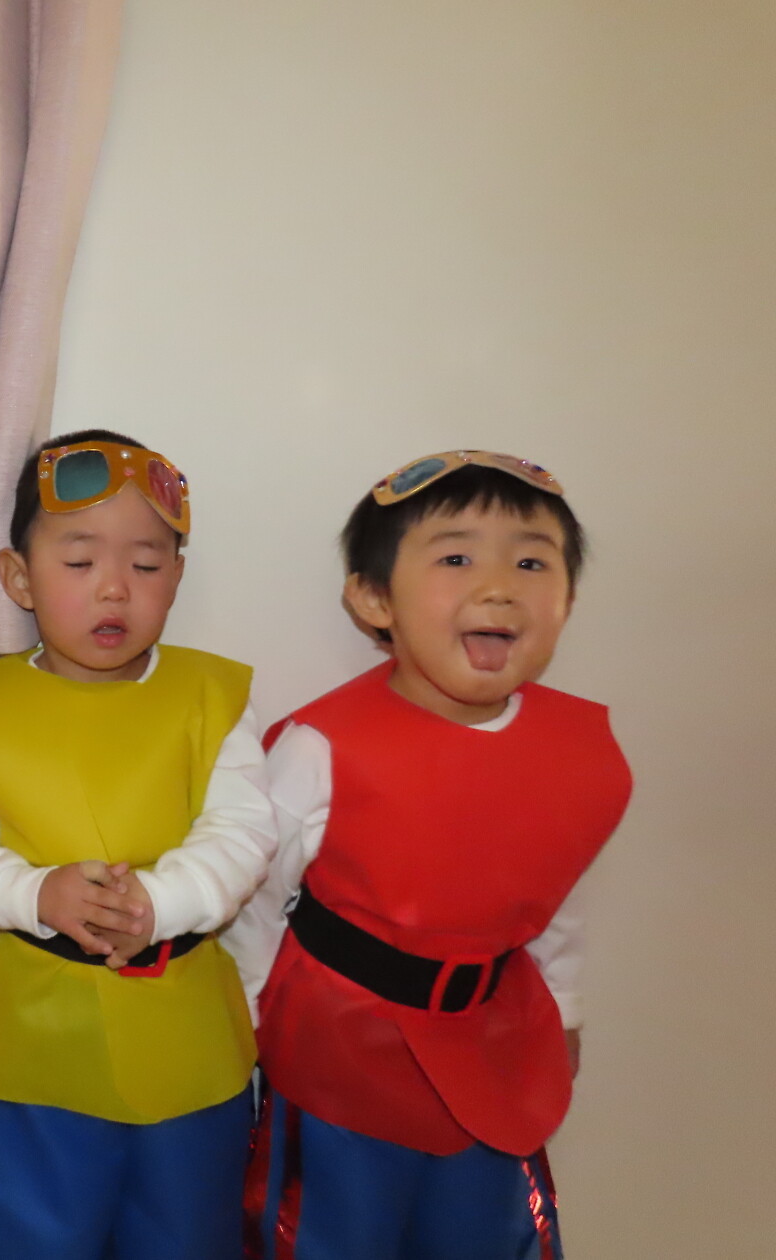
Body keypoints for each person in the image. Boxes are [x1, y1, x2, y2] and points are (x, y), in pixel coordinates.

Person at [229, 450, 633, 1260]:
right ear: (373, 598)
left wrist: (565, 1007)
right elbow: (258, 900)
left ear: (568, 599)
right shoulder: (321, 746)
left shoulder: (582, 749)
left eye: (531, 562)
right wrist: (241, 1030)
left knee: (483, 1229)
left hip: (495, 1048)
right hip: (339, 1055)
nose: (499, 587)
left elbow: (554, 891)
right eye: (456, 559)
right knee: (332, 1235)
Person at [0, 430, 278, 1260]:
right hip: (30, 1050)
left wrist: (161, 902)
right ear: (18, 578)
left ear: (176, 576)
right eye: (79, 562)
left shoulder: (212, 697)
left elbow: (244, 830)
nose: (114, 587)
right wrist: (34, 894)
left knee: (190, 1234)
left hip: (189, 1045)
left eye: (146, 565)